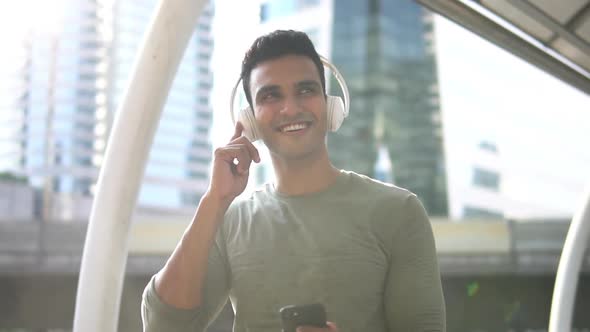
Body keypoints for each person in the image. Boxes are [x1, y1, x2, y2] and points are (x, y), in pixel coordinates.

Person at [141, 29, 446, 332]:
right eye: (271, 95)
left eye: (305, 90)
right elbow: (162, 326)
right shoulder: (229, 220)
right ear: (249, 120)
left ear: (330, 106)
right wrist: (214, 199)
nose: (291, 108)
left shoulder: (399, 211)